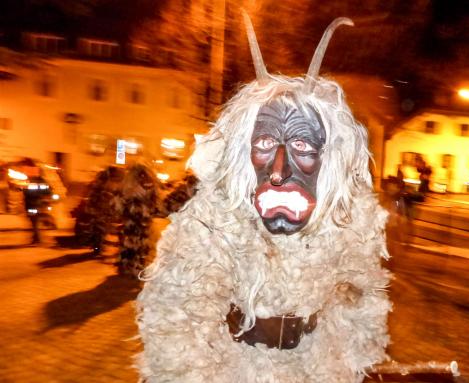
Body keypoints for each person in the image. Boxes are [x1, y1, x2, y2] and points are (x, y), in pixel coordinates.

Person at [136, 14, 391, 383]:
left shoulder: (351, 221)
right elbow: (177, 314)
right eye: (266, 144)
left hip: (316, 368)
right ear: (244, 152)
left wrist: (349, 363)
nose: (278, 170)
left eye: (302, 146)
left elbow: (360, 299)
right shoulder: (213, 217)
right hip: (233, 366)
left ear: (329, 157)